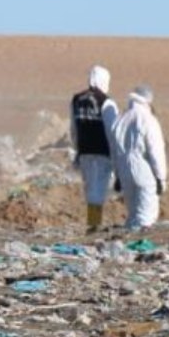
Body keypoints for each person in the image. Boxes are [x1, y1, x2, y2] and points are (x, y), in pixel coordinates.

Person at [69, 65, 118, 232]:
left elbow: (74, 128)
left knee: (90, 188)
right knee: (99, 190)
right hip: (102, 152)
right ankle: (94, 224)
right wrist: (116, 154)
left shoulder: (76, 100)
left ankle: (93, 222)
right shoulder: (106, 101)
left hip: (84, 151)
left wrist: (77, 150)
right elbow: (113, 131)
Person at [112, 84, 167, 230]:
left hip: (123, 169)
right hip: (143, 168)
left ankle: (128, 240)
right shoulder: (148, 120)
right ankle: (140, 244)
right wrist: (160, 177)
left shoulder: (120, 120)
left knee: (133, 211)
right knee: (146, 214)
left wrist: (117, 175)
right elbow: (156, 151)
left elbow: (114, 150)